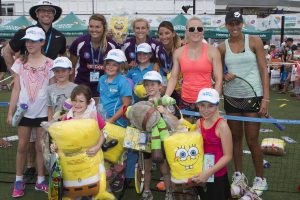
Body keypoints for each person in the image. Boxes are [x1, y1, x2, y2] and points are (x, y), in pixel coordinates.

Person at [3, 0, 66, 182]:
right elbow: (7, 51)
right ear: (37, 14)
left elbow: (62, 61)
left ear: (54, 15)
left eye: (50, 11)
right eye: (43, 11)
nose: (46, 13)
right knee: (26, 141)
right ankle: (29, 168)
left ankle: (40, 175)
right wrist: (15, 72)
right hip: (26, 96)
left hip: (46, 96)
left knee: (41, 141)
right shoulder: (24, 32)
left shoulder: (59, 37)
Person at [218, 10, 269, 198]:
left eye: (237, 23)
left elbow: (264, 70)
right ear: (226, 25)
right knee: (236, 140)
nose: (234, 27)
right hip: (232, 98)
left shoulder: (254, 41)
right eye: (231, 23)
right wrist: (223, 75)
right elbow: (218, 71)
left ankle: (260, 179)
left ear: (242, 24)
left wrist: (266, 98)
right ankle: (239, 177)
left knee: (252, 139)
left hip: (254, 97)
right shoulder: (222, 47)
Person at [7, 27, 55, 198]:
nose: (29, 44)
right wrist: (10, 111)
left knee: (40, 148)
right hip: (23, 113)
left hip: (43, 113)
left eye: (34, 41)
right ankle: (19, 180)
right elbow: (16, 89)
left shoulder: (50, 64)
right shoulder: (20, 63)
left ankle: (41, 180)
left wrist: (51, 116)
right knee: (22, 146)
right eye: (27, 41)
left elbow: (51, 90)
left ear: (42, 42)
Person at [165, 17, 222, 116]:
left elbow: (219, 79)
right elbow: (173, 77)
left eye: (199, 29)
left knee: (205, 131)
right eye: (192, 29)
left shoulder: (213, 51)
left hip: (206, 102)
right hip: (185, 101)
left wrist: (215, 100)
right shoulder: (179, 52)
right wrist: (166, 96)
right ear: (187, 31)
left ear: (203, 31)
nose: (196, 31)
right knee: (186, 131)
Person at [98, 49, 132, 192]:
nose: (111, 67)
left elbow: (126, 105)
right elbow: (101, 100)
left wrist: (111, 120)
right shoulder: (101, 79)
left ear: (120, 66)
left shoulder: (123, 82)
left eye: (115, 64)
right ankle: (108, 177)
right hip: (104, 122)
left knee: (119, 154)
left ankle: (119, 176)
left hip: (118, 123)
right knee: (105, 151)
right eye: (108, 64)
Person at [192, 88, 232, 200]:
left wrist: (208, 173)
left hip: (217, 175)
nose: (205, 110)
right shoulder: (199, 122)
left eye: (210, 106)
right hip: (201, 172)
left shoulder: (222, 126)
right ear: (198, 105)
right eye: (202, 105)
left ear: (217, 105)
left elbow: (228, 156)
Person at [140, 71, 174, 200]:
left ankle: (169, 192)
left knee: (165, 169)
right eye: (147, 85)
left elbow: (177, 122)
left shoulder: (167, 102)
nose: (149, 87)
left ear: (160, 86)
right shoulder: (142, 103)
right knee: (146, 168)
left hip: (162, 141)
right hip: (147, 139)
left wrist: (165, 111)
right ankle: (147, 191)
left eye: (153, 84)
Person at [69, 14, 118, 98]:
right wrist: (71, 86)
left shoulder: (111, 45)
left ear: (104, 28)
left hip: (103, 85)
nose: (94, 30)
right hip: (82, 84)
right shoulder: (79, 42)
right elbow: (71, 67)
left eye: (97, 27)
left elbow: (117, 68)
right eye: (91, 26)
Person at [47, 56, 77, 121]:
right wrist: (49, 124)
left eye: (63, 70)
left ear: (71, 71)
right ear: (53, 72)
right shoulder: (50, 89)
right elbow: (50, 108)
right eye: (57, 71)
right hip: (55, 125)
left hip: (71, 125)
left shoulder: (76, 88)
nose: (60, 73)